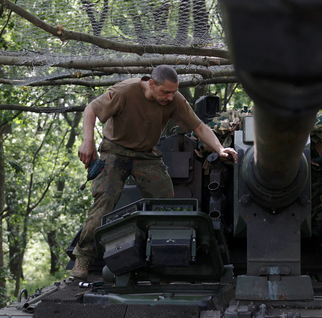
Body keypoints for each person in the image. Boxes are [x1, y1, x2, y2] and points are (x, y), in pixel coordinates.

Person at [70, 65, 238, 280]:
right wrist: (87, 142)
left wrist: (220, 148)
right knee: (105, 200)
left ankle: (165, 253)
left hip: (146, 154)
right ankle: (83, 256)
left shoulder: (174, 100)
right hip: (115, 150)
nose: (170, 97)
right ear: (151, 84)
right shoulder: (125, 91)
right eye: (165, 92)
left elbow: (199, 127)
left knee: (167, 203)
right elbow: (91, 109)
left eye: (173, 92)